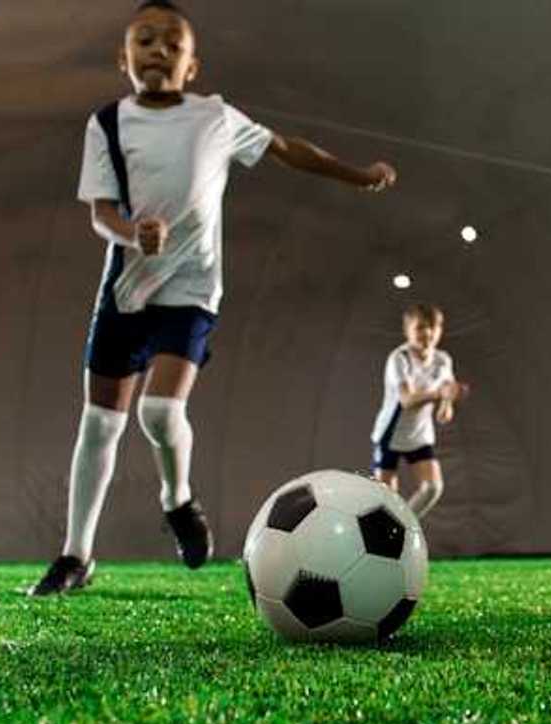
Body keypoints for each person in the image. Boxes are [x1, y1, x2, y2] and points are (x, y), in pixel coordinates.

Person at [29, 0, 397, 595]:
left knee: (158, 412)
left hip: (192, 288)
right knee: (99, 425)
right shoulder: (108, 124)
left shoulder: (215, 117)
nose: (158, 50)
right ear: (122, 58)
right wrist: (133, 234)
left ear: (192, 66)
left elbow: (285, 149)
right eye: (144, 40)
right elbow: (99, 213)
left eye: (173, 44)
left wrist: (356, 175)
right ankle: (75, 556)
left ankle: (178, 499)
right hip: (126, 289)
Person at [371, 304, 468, 519]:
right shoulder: (399, 358)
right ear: (408, 331)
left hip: (420, 435)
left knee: (433, 488)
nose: (428, 333)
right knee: (386, 501)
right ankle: (383, 543)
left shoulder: (443, 360)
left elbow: (444, 415)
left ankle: (405, 528)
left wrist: (448, 399)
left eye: (433, 327)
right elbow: (406, 400)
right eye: (421, 327)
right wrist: (438, 394)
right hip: (391, 434)